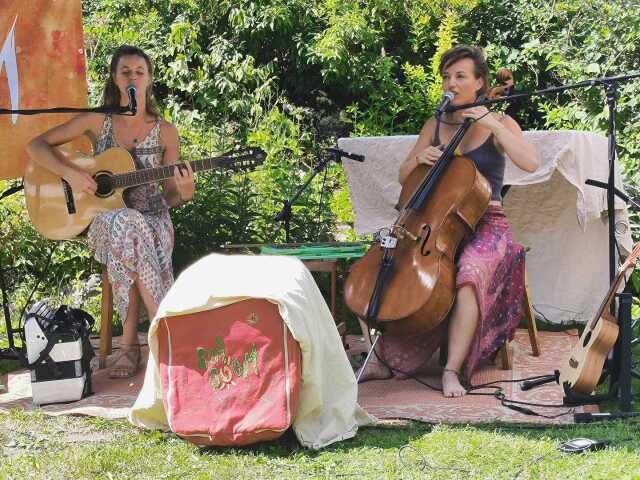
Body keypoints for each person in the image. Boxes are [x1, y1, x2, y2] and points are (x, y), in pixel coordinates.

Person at [359, 45, 539, 397]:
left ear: (480, 82)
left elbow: (531, 162)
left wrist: (492, 124)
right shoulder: (435, 124)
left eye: (460, 76)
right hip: (433, 224)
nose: (451, 83)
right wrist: (417, 160)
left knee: (470, 273)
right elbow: (403, 176)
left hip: (487, 223)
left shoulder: (500, 122)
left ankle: (451, 370)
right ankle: (379, 358)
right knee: (379, 264)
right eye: (446, 77)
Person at [27, 45, 195, 378]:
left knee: (134, 226)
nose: (133, 77)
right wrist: (72, 174)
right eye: (126, 72)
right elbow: (36, 146)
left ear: (150, 79)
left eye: (139, 72)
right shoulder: (97, 120)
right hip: (105, 218)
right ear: (115, 79)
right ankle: (165, 336)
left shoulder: (166, 132)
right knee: (125, 222)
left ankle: (129, 346)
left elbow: (171, 197)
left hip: (152, 220)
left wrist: (185, 192)